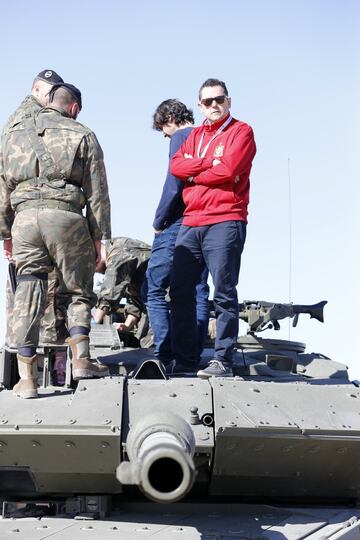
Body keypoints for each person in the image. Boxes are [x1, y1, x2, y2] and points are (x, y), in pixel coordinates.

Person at [0, 82, 111, 398]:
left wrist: (5, 234)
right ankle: (82, 361)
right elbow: (98, 194)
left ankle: (26, 379)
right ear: (73, 107)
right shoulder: (83, 134)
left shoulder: (12, 133)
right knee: (76, 289)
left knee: (27, 292)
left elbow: (2, 188)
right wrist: (98, 238)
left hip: (23, 220)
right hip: (65, 216)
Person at [170, 78, 256, 378]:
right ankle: (184, 359)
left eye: (219, 100)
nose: (214, 106)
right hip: (191, 221)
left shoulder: (241, 131)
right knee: (180, 291)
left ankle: (222, 359)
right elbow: (176, 167)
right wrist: (207, 167)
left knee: (224, 291)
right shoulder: (193, 136)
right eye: (207, 102)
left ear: (228, 101)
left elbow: (229, 170)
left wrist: (196, 171)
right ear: (200, 106)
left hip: (225, 218)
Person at [146, 99, 209, 370]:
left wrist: (159, 220)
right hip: (205, 220)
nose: (164, 134)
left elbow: (174, 182)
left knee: (154, 287)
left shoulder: (182, 135)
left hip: (178, 221)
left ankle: (163, 354)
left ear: (170, 117)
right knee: (198, 289)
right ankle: (190, 356)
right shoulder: (208, 135)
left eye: (163, 127)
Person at [94, 237, 151, 343]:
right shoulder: (122, 265)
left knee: (152, 347)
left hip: (167, 301)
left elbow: (109, 293)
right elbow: (135, 302)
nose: (96, 272)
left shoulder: (119, 250)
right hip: (151, 304)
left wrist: (92, 326)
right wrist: (126, 326)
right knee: (139, 343)